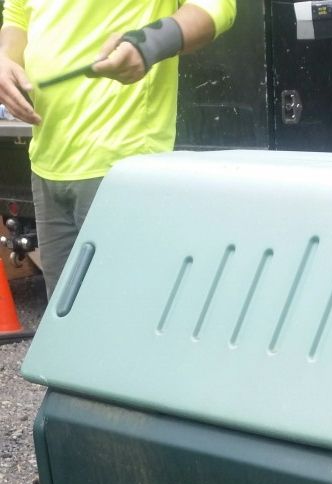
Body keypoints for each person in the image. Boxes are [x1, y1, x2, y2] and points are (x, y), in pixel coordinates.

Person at [0, 1, 237, 298]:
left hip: (121, 164)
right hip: (46, 162)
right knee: (64, 325)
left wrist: (150, 42)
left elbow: (217, 6)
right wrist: (5, 57)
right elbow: (17, 14)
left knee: (125, 317)